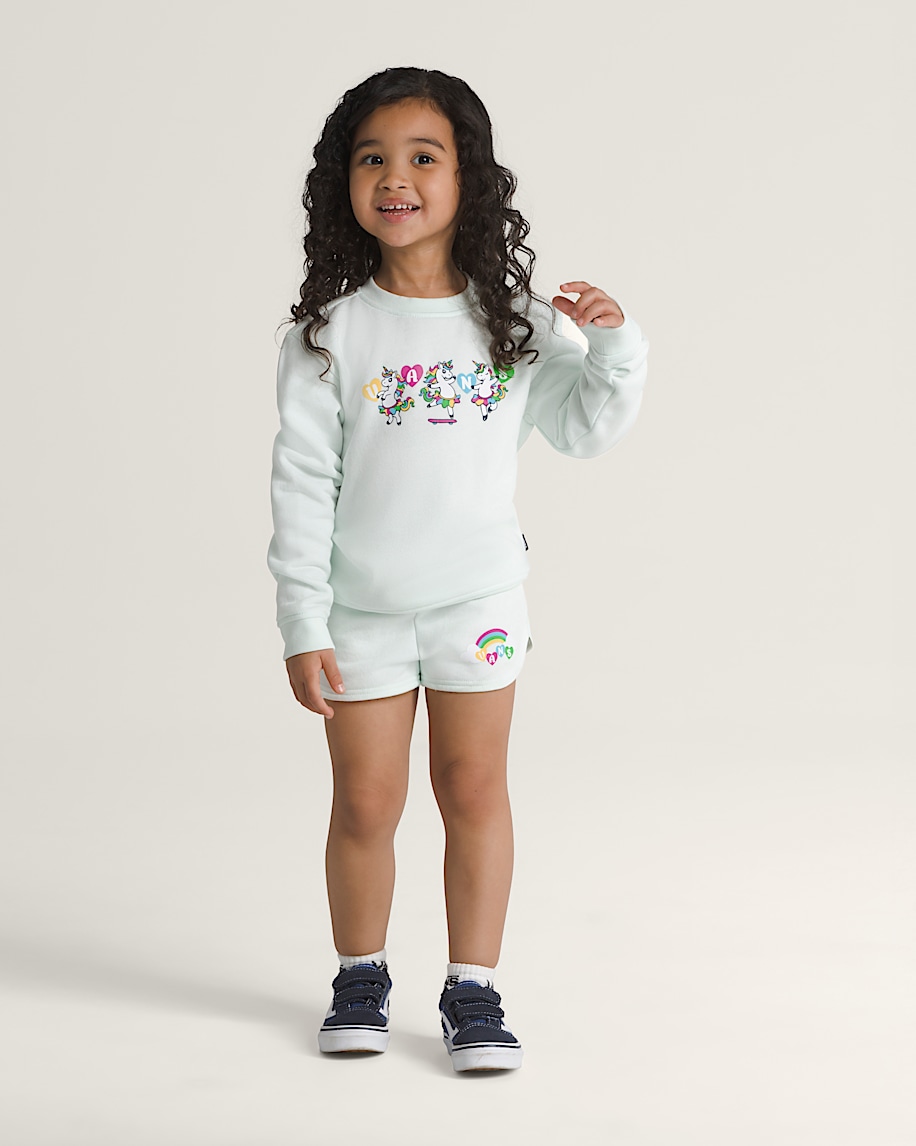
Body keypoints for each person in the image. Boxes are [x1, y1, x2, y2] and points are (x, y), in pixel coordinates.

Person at [266, 66, 649, 1073]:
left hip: (477, 603)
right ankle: (360, 974)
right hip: (361, 613)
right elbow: (301, 483)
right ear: (343, 183)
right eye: (372, 158)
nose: (395, 177)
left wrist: (613, 347)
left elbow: (583, 429)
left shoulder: (513, 321)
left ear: (468, 178)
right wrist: (303, 620)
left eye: (423, 157)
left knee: (473, 789)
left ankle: (472, 989)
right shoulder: (326, 334)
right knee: (364, 803)